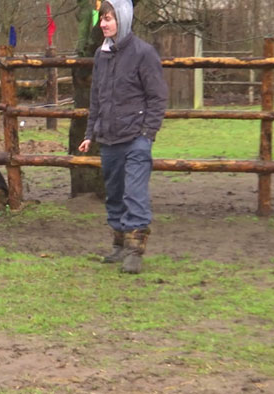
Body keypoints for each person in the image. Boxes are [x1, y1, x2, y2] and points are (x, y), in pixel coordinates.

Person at [78, 0, 168, 274]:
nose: (104, 23)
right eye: (102, 18)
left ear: (123, 19)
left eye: (109, 18)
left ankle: (135, 250)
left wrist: (147, 132)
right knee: (114, 194)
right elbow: (97, 98)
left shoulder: (144, 53)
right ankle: (118, 245)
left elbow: (158, 96)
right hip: (108, 138)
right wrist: (90, 133)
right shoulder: (101, 54)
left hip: (136, 137)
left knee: (135, 193)